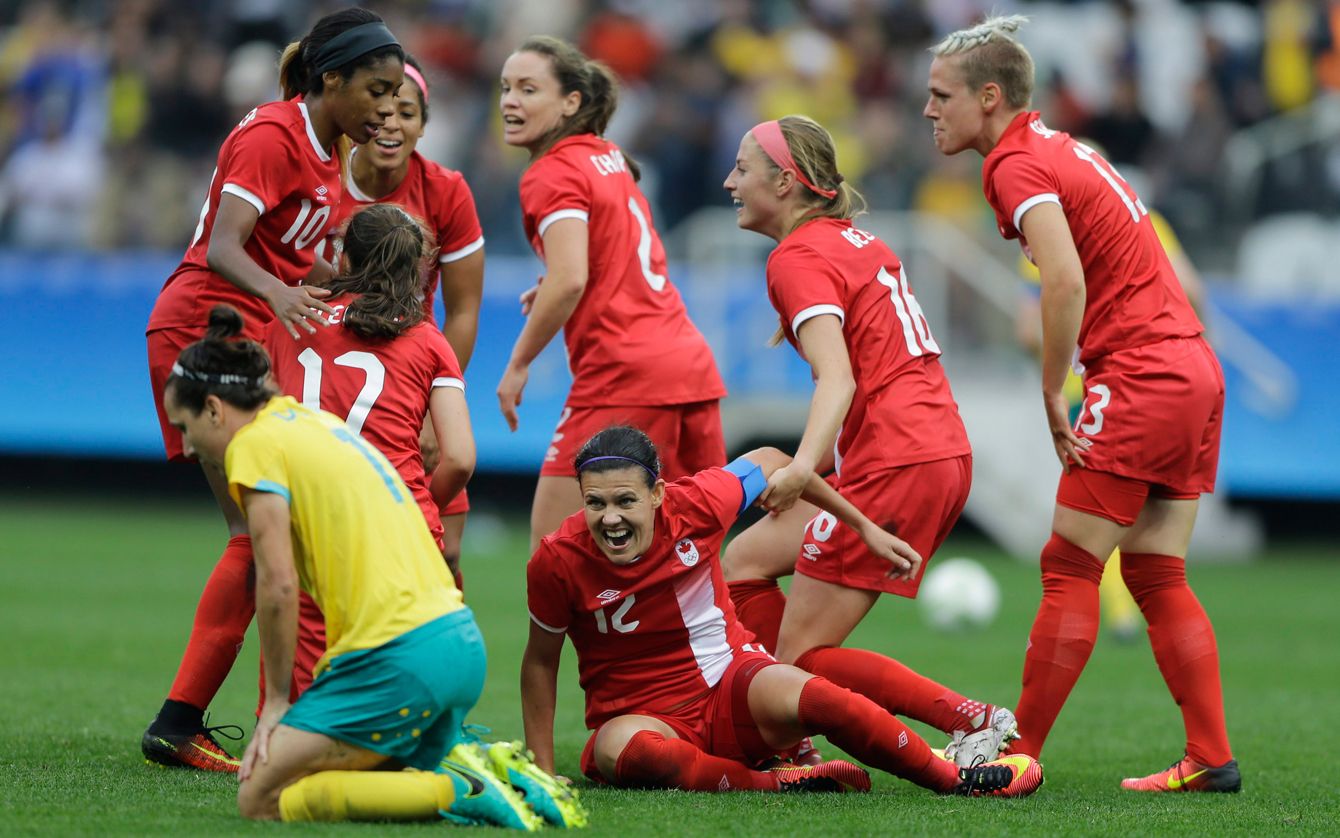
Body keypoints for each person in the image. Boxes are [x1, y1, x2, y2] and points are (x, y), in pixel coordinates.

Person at [925, 15, 1238, 792]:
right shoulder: (1067, 149)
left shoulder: (1014, 164)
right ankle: (1210, 758)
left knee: (1069, 564)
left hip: (1139, 374)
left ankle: (1018, 751)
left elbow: (1062, 281)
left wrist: (1050, 388)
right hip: (1193, 367)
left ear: (989, 98)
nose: (927, 111)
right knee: (1158, 574)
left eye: (940, 96)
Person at [141, 7, 405, 771]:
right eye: (377, 91)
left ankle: (199, 719)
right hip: (206, 328)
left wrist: (350, 284)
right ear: (333, 80)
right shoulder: (274, 136)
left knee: (266, 537)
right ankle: (196, 721)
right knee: (261, 537)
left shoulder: (326, 149)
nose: (386, 108)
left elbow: (284, 253)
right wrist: (283, 294)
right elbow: (223, 247)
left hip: (242, 335)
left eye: (396, 95)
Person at [160, 305, 544, 827]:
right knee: (353, 777)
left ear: (213, 408)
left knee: (260, 797)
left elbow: (275, 584)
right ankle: (462, 767)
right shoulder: (310, 421)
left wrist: (275, 704)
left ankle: (459, 786)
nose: (184, 445)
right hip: (457, 643)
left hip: (399, 659)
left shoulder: (253, 447)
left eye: (182, 427)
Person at [521, 426, 1044, 798]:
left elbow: (773, 459)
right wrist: (545, 770)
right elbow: (541, 665)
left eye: (624, 501)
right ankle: (776, 781)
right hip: (645, 717)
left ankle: (953, 778)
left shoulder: (697, 504)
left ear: (657, 494)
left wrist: (864, 528)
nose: (609, 518)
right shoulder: (556, 560)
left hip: (731, 686)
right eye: (595, 504)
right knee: (634, 755)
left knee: (819, 696)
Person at [719, 115, 1015, 768]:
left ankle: (969, 719)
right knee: (741, 562)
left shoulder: (795, 256)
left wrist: (800, 467)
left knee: (798, 665)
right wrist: (815, 466)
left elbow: (839, 378)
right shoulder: (853, 240)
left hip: (898, 458)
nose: (729, 181)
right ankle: (784, 730)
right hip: (932, 449)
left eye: (742, 169)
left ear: (787, 182)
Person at [497, 36, 728, 552]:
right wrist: (563, 279)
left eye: (528, 89)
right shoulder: (607, 156)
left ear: (570, 102)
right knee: (688, 550)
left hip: (626, 372)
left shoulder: (550, 171)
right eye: (506, 87)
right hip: (687, 365)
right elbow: (605, 257)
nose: (510, 100)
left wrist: (518, 363)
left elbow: (571, 277)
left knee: (556, 551)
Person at [260, 201, 477, 702]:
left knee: (313, 682)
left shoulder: (288, 322)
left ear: (343, 256)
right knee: (402, 677)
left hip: (312, 519)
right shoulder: (428, 340)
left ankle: (286, 738)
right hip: (402, 522)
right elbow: (460, 457)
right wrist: (419, 503)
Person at [1015, 174, 1208, 644]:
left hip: (1099, 386)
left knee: (1080, 540)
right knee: (1157, 552)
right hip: (1176, 379)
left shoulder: (1046, 222)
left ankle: (1118, 613)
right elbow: (1193, 292)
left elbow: (1027, 328)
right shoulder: (1147, 219)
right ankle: (1127, 612)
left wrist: (1060, 364)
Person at [328, 55, 485, 587]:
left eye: (408, 112)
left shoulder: (445, 190)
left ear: (423, 124)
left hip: (409, 385)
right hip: (332, 385)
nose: (393, 122)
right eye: (383, 110)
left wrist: (433, 411)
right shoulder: (321, 179)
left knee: (443, 557)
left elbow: (463, 310)